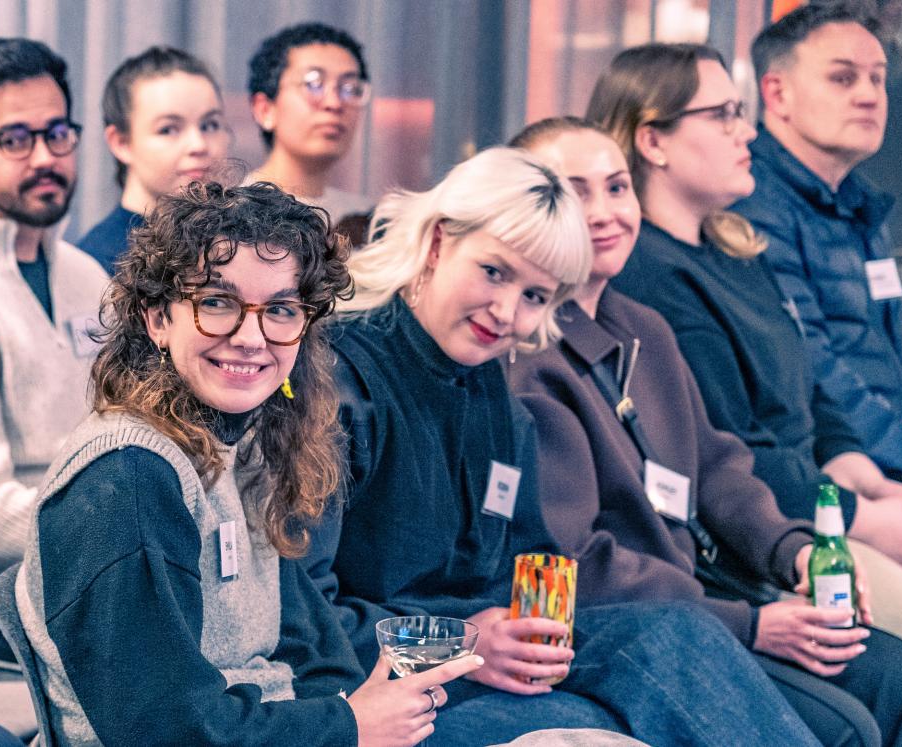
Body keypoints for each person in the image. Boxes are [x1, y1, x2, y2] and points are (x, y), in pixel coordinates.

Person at [304, 146, 820, 747]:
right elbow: (309, 618)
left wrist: (529, 631)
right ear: (440, 242)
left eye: (535, 296)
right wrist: (464, 642)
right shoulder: (338, 385)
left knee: (676, 634)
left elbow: (531, 562)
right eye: (494, 272)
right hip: (387, 683)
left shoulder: (493, 391)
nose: (506, 313)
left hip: (492, 663)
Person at [13, 181, 487, 746]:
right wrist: (350, 727)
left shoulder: (251, 450)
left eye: (281, 310)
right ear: (157, 318)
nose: (250, 336)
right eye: (217, 303)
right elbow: (165, 732)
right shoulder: (128, 478)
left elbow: (314, 654)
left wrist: (359, 719)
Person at [508, 114, 902, 746]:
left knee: (895, 674)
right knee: (847, 726)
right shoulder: (527, 356)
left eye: (617, 187)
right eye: (574, 191)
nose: (606, 211)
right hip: (631, 626)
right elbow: (578, 564)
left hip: (709, 594)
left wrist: (798, 552)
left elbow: (720, 468)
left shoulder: (641, 325)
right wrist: (749, 622)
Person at [592, 41, 902, 650]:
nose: (746, 133)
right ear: (652, 141)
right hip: (757, 537)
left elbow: (811, 390)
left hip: (816, 507)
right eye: (721, 115)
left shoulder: (736, 247)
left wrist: (864, 475)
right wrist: (856, 517)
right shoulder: (647, 276)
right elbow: (729, 449)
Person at [0, 38, 109, 662]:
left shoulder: (87, 277)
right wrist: (122, 528)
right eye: (15, 139)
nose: (45, 156)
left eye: (57, 133)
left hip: (90, 577)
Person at [731, 5, 902, 488]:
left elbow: (901, 355)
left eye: (876, 79)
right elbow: (813, 370)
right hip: (824, 477)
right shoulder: (750, 202)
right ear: (777, 93)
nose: (869, 96)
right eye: (842, 78)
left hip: (889, 464)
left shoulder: (859, 204)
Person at [79, 46, 231, 274]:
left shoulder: (238, 247)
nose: (198, 145)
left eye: (210, 125)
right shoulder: (96, 266)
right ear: (121, 142)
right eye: (168, 129)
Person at [247, 22, 374, 222]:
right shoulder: (233, 216)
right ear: (265, 109)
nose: (334, 103)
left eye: (350, 88)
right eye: (314, 84)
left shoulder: (369, 222)